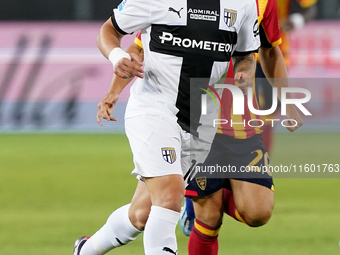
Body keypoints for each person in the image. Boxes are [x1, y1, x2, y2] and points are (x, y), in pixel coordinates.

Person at [73, 0, 260, 255]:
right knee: (171, 196)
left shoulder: (243, 3)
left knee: (142, 214)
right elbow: (109, 30)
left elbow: (245, 54)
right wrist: (117, 57)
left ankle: (85, 250)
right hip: (154, 109)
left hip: (201, 122)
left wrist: (245, 73)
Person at [179, 0, 304, 254]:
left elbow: (270, 51)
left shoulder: (263, 3)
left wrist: (288, 100)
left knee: (258, 213)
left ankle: (200, 194)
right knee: (209, 217)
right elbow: (149, 43)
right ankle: (201, 198)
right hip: (197, 118)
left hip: (241, 121)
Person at [259, 0, 318, 153]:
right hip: (237, 55)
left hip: (274, 55)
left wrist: (294, 21)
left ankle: (261, 164)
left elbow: (310, 9)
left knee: (268, 115)